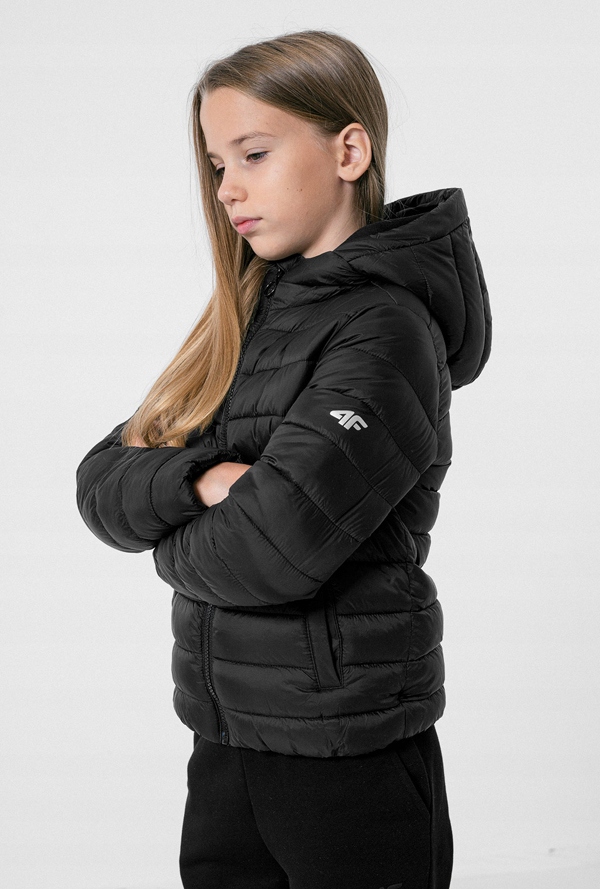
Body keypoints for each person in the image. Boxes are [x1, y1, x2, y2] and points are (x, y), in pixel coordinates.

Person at [76, 29, 491, 889]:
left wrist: (165, 535)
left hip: (347, 754)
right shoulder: (247, 319)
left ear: (349, 151)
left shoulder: (384, 329)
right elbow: (97, 481)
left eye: (254, 154)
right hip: (226, 740)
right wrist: (201, 479)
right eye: (216, 164)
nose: (228, 188)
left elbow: (271, 548)